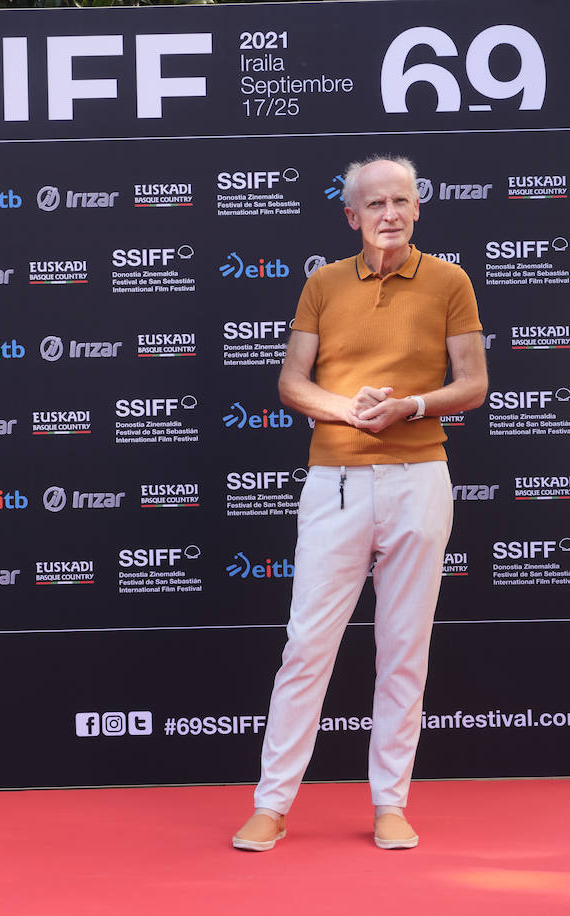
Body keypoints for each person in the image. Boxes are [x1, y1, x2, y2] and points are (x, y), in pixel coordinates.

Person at [232, 155, 487, 852]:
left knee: (404, 648)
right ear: (352, 216)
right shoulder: (322, 283)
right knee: (307, 646)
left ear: (417, 206)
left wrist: (410, 406)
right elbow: (292, 382)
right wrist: (349, 410)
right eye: (375, 204)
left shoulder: (450, 281)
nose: (390, 214)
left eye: (401, 200)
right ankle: (272, 804)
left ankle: (390, 805)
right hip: (335, 482)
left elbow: (472, 382)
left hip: (419, 479)